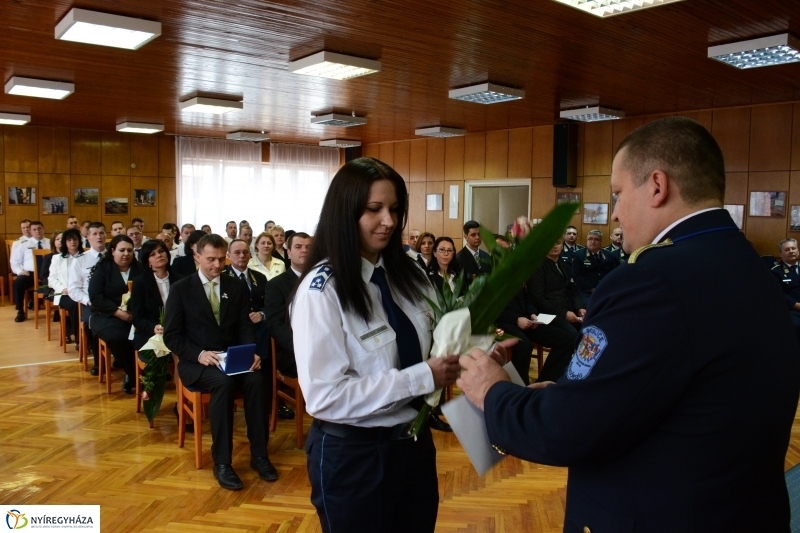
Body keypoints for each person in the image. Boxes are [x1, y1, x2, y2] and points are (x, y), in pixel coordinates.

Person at [457, 116, 800, 532]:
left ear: (657, 186)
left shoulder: (650, 280)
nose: (615, 213)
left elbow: (570, 429)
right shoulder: (749, 266)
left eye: (618, 193)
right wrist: (577, 391)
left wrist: (492, 392)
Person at [291, 157, 462, 533]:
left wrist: (474, 350)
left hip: (413, 446)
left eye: (395, 209)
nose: (389, 221)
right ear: (345, 212)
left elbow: (436, 341)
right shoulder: (322, 291)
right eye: (374, 210)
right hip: (355, 457)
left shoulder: (410, 274)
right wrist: (421, 378)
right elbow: (324, 397)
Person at [164, 234, 277, 490]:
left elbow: (244, 326)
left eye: (220, 259)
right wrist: (199, 354)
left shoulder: (234, 286)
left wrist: (251, 352)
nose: (217, 265)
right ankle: (222, 462)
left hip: (231, 359)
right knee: (223, 385)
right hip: (198, 362)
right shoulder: (181, 289)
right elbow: (172, 336)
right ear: (197, 257)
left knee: (257, 381)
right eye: (210, 259)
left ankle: (260, 455)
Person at [264, 231, 311, 419]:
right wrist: (303, 347)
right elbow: (275, 325)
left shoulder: (324, 280)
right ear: (288, 252)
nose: (304, 251)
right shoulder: (276, 285)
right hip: (292, 350)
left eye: (309, 248)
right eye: (298, 247)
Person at [88, 235, 143, 394]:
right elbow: (95, 296)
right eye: (122, 250)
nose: (126, 254)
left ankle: (148, 370)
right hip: (107, 315)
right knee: (118, 337)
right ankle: (134, 376)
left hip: (135, 315)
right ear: (112, 251)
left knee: (146, 335)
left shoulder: (140, 269)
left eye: (130, 250)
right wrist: (118, 313)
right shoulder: (103, 268)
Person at [69, 222, 108, 369]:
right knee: (89, 323)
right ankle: (99, 362)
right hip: (91, 303)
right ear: (88, 237)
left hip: (114, 301)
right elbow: (73, 289)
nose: (99, 236)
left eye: (102, 233)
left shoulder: (115, 256)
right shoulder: (80, 260)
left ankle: (120, 356)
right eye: (95, 234)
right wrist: (88, 301)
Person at [527, 239, 585, 337]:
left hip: (569, 310)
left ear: (562, 245)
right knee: (570, 334)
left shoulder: (565, 265)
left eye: (558, 243)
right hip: (549, 314)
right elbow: (538, 298)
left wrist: (579, 308)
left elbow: (573, 291)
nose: (555, 246)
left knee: (589, 329)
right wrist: (564, 313)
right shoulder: (537, 267)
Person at [130, 239, 172, 353]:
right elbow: (137, 318)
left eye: (161, 251)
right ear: (147, 261)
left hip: (176, 331)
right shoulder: (140, 282)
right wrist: (153, 327)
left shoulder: (180, 279)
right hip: (150, 332)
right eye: (153, 254)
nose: (159, 255)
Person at [11, 220, 49, 322]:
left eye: (39, 229)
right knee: (18, 283)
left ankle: (58, 311)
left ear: (43, 229)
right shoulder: (24, 244)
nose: (37, 231)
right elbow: (15, 261)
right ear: (31, 231)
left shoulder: (51, 243)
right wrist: (20, 271)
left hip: (48, 274)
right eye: (34, 229)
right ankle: (20, 311)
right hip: (30, 274)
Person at [50, 228, 83, 345]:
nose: (72, 242)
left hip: (82, 292)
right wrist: (63, 289)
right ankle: (80, 339)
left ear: (79, 241)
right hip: (65, 293)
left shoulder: (85, 256)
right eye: (69, 240)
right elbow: (52, 279)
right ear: (65, 242)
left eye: (74, 239)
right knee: (74, 305)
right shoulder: (57, 258)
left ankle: (91, 336)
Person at [571, 230, 616, 307]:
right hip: (586, 291)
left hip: (605, 290)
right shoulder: (579, 255)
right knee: (590, 309)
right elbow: (576, 276)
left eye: (596, 239)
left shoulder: (609, 255)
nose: (593, 242)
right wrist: (591, 289)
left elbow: (613, 274)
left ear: (601, 242)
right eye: (590, 239)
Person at [772, 238, 800, 344]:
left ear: (798, 251)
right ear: (781, 254)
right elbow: (779, 294)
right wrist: (797, 305)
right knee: (796, 326)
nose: (791, 251)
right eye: (787, 249)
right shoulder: (776, 271)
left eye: (794, 248)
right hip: (792, 309)